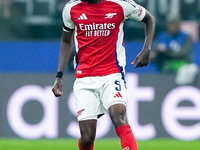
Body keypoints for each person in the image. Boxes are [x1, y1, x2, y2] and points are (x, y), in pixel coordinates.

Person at [52, 0, 155, 149]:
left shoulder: (121, 4)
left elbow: (149, 18)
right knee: (87, 137)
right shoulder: (71, 8)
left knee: (119, 116)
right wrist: (59, 75)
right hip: (84, 78)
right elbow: (66, 42)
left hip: (112, 74)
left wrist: (147, 48)